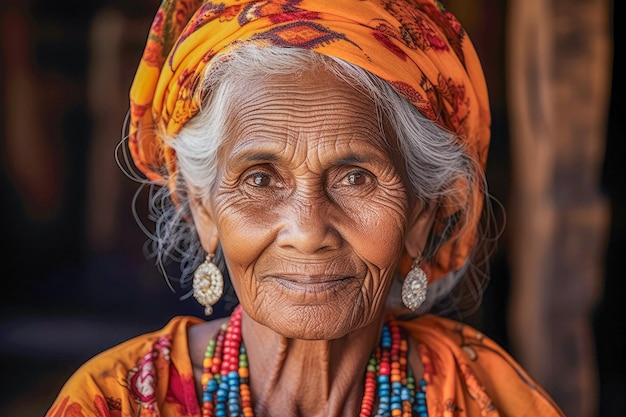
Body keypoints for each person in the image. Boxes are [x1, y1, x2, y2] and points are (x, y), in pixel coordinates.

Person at [46, 1, 566, 416]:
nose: (307, 228)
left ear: (422, 214)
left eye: (356, 177)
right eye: (259, 178)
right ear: (203, 210)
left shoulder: (483, 400)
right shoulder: (117, 402)